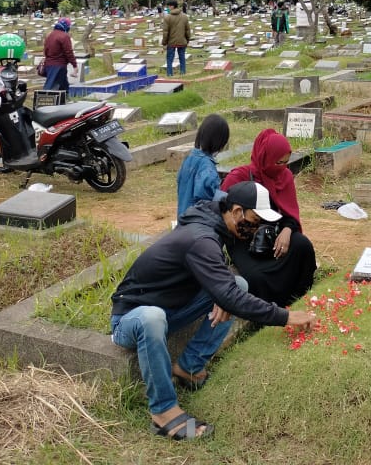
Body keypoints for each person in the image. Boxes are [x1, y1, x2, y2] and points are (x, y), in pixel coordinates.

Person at [110, 183, 316, 442]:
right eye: (255, 221)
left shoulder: (214, 226)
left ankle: (189, 367)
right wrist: (285, 316)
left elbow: (223, 284)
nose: (258, 229)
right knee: (153, 316)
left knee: (237, 285)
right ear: (237, 211)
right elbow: (228, 295)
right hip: (130, 319)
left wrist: (221, 292)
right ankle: (162, 412)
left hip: (172, 309)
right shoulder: (201, 238)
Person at [220, 128, 316, 306]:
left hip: (275, 233)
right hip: (243, 239)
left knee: (303, 246)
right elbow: (224, 214)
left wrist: (287, 231)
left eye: (286, 162)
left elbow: (290, 214)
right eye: (279, 162)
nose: (283, 168)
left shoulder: (284, 176)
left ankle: (298, 296)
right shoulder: (238, 177)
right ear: (266, 157)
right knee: (256, 277)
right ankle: (267, 310)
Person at [175, 114, 230, 221]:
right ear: (219, 142)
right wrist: (228, 198)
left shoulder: (190, 158)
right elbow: (206, 200)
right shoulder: (207, 167)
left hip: (183, 217)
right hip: (197, 223)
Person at [42, 18, 77, 92]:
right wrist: (74, 65)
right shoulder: (64, 36)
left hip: (49, 63)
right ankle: (44, 101)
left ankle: (65, 100)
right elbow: (69, 52)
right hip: (58, 65)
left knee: (64, 87)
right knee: (50, 87)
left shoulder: (50, 35)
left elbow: (45, 50)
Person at [162, 0, 191, 76]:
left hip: (171, 42)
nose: (167, 8)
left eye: (168, 6)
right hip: (182, 41)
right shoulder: (184, 16)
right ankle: (183, 73)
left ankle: (169, 74)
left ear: (172, 6)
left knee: (169, 59)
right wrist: (187, 40)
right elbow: (187, 30)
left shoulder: (167, 17)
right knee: (182, 58)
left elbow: (165, 32)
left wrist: (164, 43)